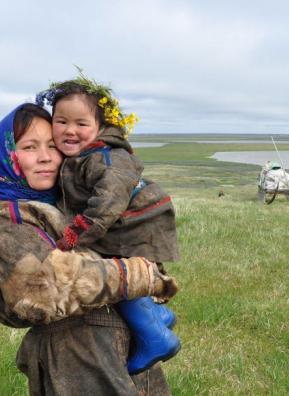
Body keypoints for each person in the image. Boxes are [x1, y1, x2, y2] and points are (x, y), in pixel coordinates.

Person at [0, 103, 175, 395]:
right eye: (30, 147)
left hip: (121, 344)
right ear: (8, 156)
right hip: (76, 353)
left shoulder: (64, 201)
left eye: (52, 146)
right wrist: (142, 274)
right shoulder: (8, 217)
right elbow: (45, 290)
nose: (45, 157)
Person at [36, 71, 180, 374]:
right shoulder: (84, 156)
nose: (69, 130)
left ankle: (155, 337)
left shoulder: (106, 158)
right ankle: (157, 316)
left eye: (81, 123)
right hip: (129, 222)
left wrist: (75, 235)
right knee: (118, 266)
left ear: (100, 126)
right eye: (61, 122)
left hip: (138, 224)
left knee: (118, 272)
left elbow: (106, 205)